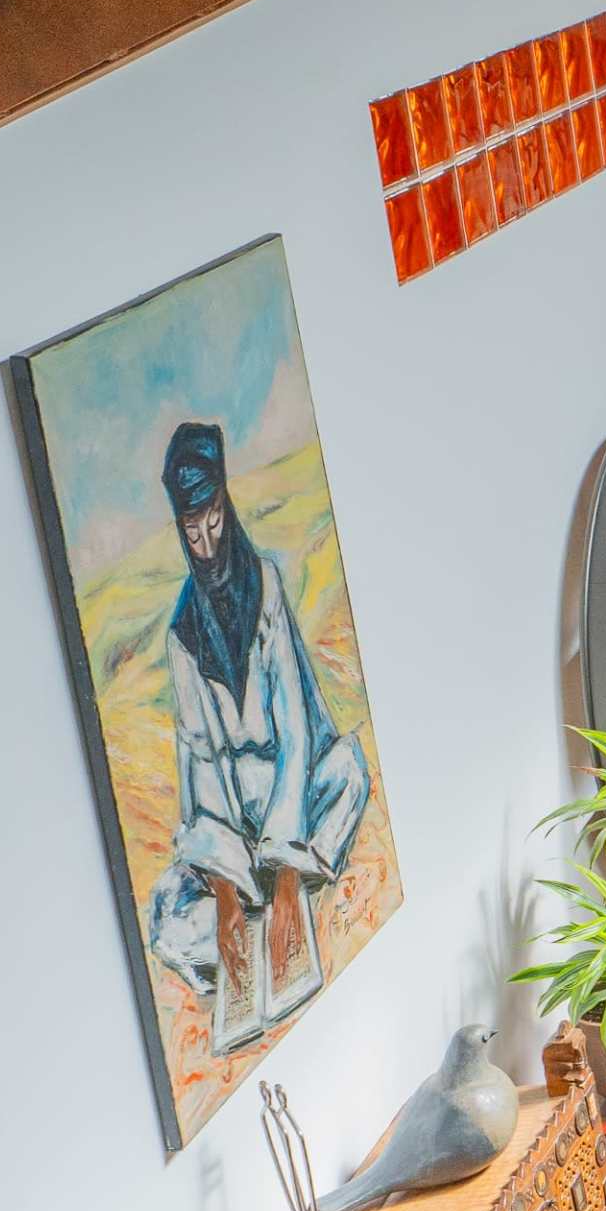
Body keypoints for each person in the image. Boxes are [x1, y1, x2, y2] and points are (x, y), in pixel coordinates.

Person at [143, 421, 371, 1049]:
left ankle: (285, 888)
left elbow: (297, 730)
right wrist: (224, 885)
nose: (206, 539)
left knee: (350, 772)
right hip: (234, 835)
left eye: (212, 518)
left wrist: (287, 865)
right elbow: (200, 770)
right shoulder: (182, 634)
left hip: (291, 800)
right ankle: (252, 908)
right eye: (191, 528)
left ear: (225, 505)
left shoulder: (265, 583)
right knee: (166, 919)